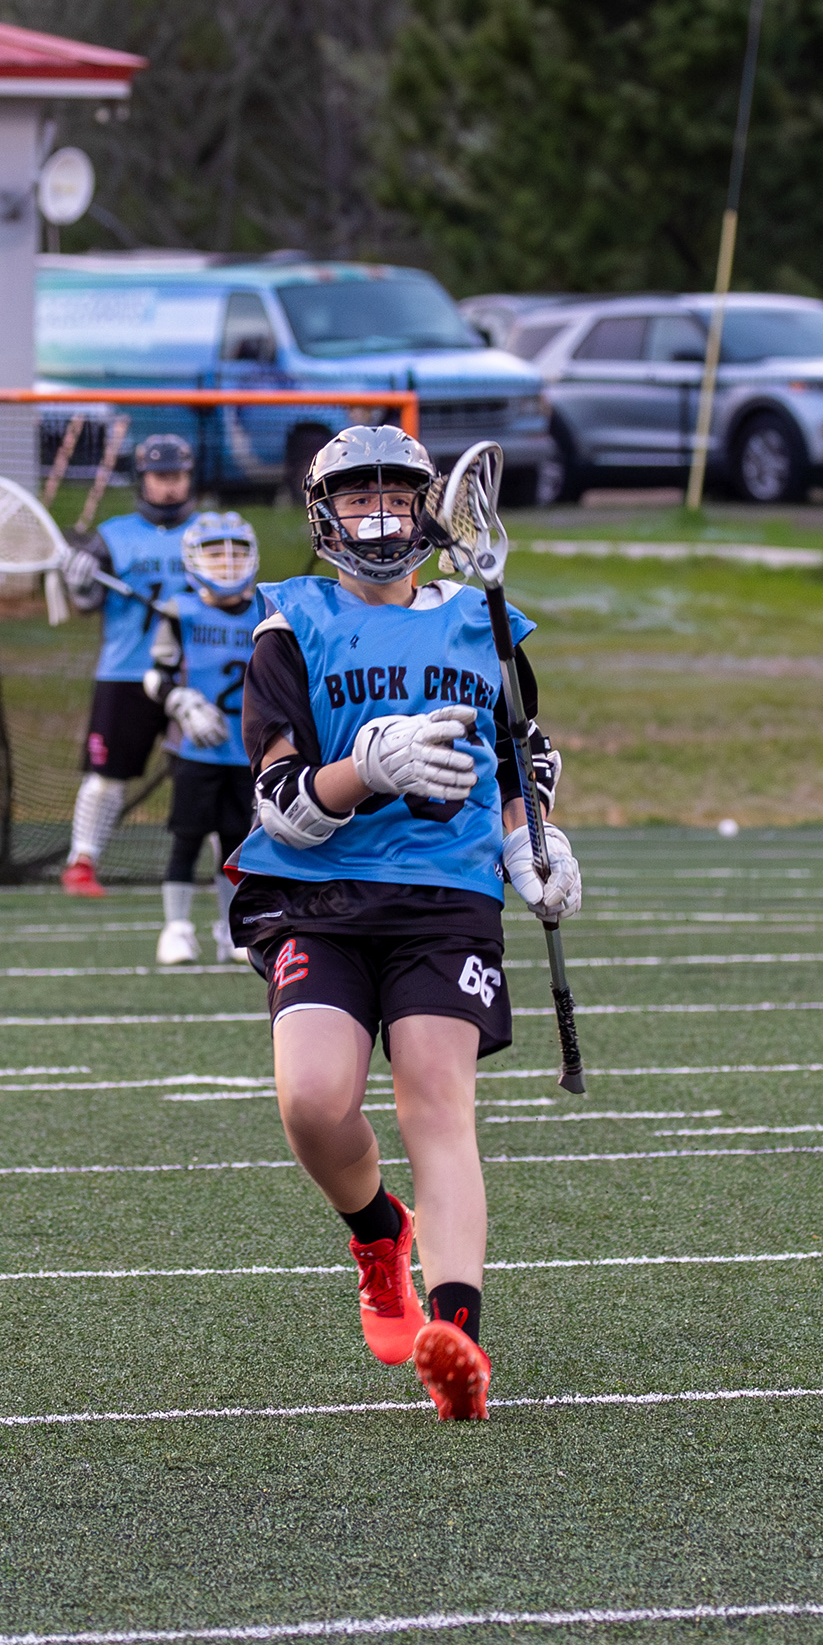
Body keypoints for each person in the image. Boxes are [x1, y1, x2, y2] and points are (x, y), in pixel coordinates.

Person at [232, 426, 575, 1423]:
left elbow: (521, 765)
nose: (378, 516)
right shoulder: (289, 625)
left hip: (444, 897)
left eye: (395, 496)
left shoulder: (484, 620)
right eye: (357, 497)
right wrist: (368, 767)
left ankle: (456, 1337)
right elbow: (281, 804)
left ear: (427, 508)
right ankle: (378, 1232)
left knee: (437, 1100)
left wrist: (534, 847)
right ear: (322, 513)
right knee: (313, 1102)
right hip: (318, 894)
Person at [57, 432, 203, 895]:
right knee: (105, 778)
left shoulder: (212, 533)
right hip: (126, 672)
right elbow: (87, 603)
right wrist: (80, 584)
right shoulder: (112, 536)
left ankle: (234, 866)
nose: (169, 486)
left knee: (212, 776)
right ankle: (82, 861)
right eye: (160, 476)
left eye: (177, 476)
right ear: (143, 479)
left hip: (197, 672)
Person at [142, 509, 264, 969]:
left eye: (236, 552)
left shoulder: (267, 612)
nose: (227, 562)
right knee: (188, 839)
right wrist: (180, 701)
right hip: (197, 750)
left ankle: (231, 930)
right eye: (215, 553)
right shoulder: (181, 611)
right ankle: (175, 928)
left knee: (237, 843)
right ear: (195, 559)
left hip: (246, 751)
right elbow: (156, 676)